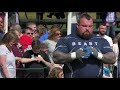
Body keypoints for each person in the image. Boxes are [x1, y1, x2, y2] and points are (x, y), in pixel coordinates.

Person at [53, 13, 116, 78]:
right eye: (84, 26)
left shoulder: (100, 40)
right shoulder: (67, 40)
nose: (87, 29)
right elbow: (56, 57)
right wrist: (74, 55)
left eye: (90, 26)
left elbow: (112, 58)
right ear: (77, 25)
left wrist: (99, 55)